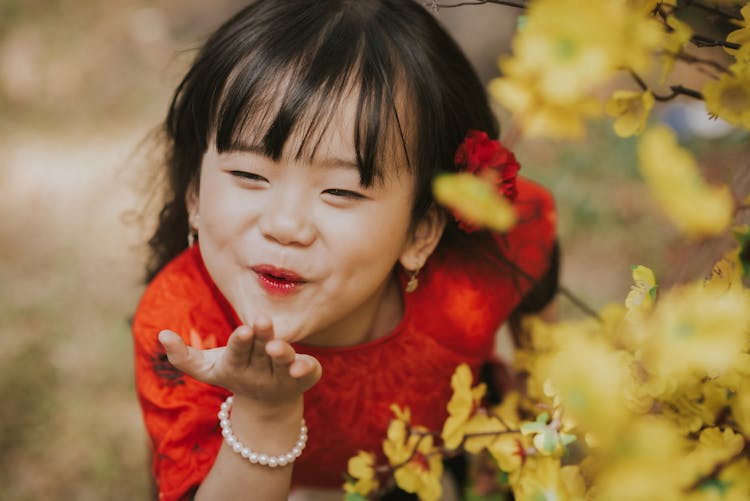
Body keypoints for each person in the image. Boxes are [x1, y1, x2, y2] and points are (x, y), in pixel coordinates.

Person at [132, 0, 558, 499]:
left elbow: (535, 257)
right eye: (249, 175)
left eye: (341, 191)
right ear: (194, 198)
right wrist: (264, 411)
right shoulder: (183, 333)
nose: (285, 225)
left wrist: (529, 423)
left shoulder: (480, 261)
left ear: (422, 231)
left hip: (424, 459)